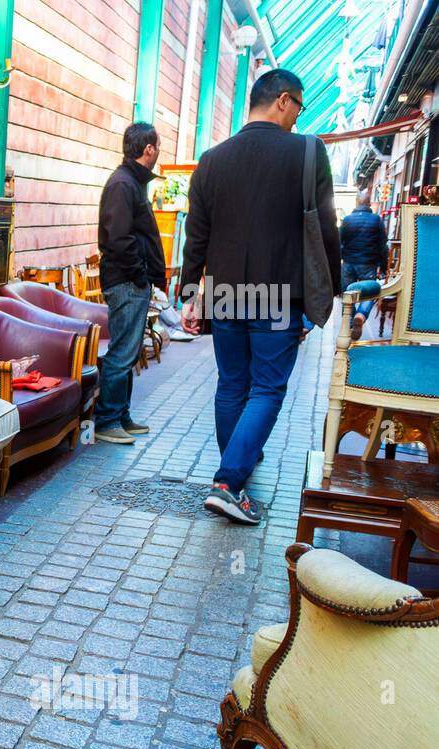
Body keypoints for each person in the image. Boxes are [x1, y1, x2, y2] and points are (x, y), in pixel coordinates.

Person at [181, 69, 340, 524]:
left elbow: (197, 237)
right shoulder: (307, 152)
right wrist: (326, 296)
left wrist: (191, 296)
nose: (297, 118)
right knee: (267, 387)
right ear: (284, 101)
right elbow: (325, 230)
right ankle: (229, 482)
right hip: (277, 292)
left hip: (227, 292)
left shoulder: (212, 160)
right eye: (299, 107)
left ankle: (238, 464)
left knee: (233, 383)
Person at [94, 122, 166, 444]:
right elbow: (119, 239)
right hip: (125, 281)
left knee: (130, 349)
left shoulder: (132, 183)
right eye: (158, 147)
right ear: (148, 149)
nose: (158, 153)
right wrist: (139, 275)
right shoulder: (123, 184)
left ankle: (120, 414)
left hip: (132, 280)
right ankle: (107, 421)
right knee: (122, 352)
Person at [339, 188, 388, 335]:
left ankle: (348, 326)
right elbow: (382, 245)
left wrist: (341, 259)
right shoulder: (377, 220)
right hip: (368, 263)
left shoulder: (347, 220)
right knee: (369, 293)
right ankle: (361, 316)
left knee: (348, 293)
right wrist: (384, 267)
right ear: (369, 204)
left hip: (348, 262)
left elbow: (339, 242)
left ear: (357, 203)